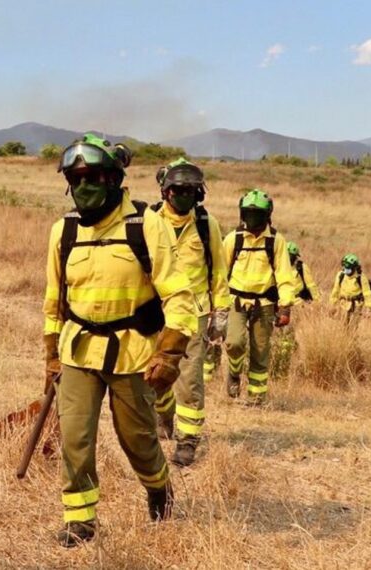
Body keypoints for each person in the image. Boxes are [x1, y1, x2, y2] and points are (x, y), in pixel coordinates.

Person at [43, 134, 196, 546]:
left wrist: (170, 352)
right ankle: (81, 521)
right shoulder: (64, 230)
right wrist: (50, 355)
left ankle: (159, 489)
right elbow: (54, 300)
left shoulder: (146, 225)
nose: (83, 187)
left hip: (134, 355)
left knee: (139, 441)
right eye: (75, 180)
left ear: (113, 178)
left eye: (91, 177)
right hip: (78, 351)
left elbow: (180, 295)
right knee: (75, 438)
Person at [150, 158, 231, 467]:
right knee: (155, 374)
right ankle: (163, 416)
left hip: (193, 314)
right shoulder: (149, 222)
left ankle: (188, 439)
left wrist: (220, 313)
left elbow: (218, 272)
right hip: (157, 311)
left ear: (199, 194)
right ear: (165, 191)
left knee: (190, 379)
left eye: (190, 191)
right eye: (178, 190)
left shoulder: (206, 225)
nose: (183, 196)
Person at [223, 189, 298, 404]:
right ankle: (234, 372)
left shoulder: (276, 241)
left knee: (260, 350)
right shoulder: (233, 239)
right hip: (236, 301)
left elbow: (284, 276)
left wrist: (285, 307)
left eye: (257, 215)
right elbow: (220, 274)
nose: (252, 219)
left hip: (264, 303)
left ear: (268, 215)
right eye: (248, 213)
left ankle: (256, 398)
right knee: (234, 343)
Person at [329, 254, 371, 325]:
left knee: (352, 327)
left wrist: (369, 309)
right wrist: (332, 305)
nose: (346, 270)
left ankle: (351, 336)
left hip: (356, 305)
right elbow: (335, 291)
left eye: (348, 268)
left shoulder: (361, 278)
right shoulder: (341, 275)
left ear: (355, 268)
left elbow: (367, 294)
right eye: (345, 268)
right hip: (343, 304)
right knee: (342, 325)